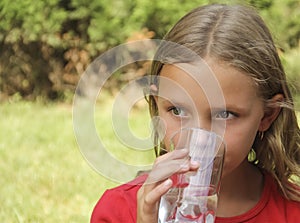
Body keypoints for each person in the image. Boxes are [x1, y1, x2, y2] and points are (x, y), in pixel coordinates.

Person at [91, 3, 300, 223]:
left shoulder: (292, 212)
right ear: (157, 104)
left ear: (267, 115)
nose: (199, 139)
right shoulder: (117, 212)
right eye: (177, 110)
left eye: (225, 115)